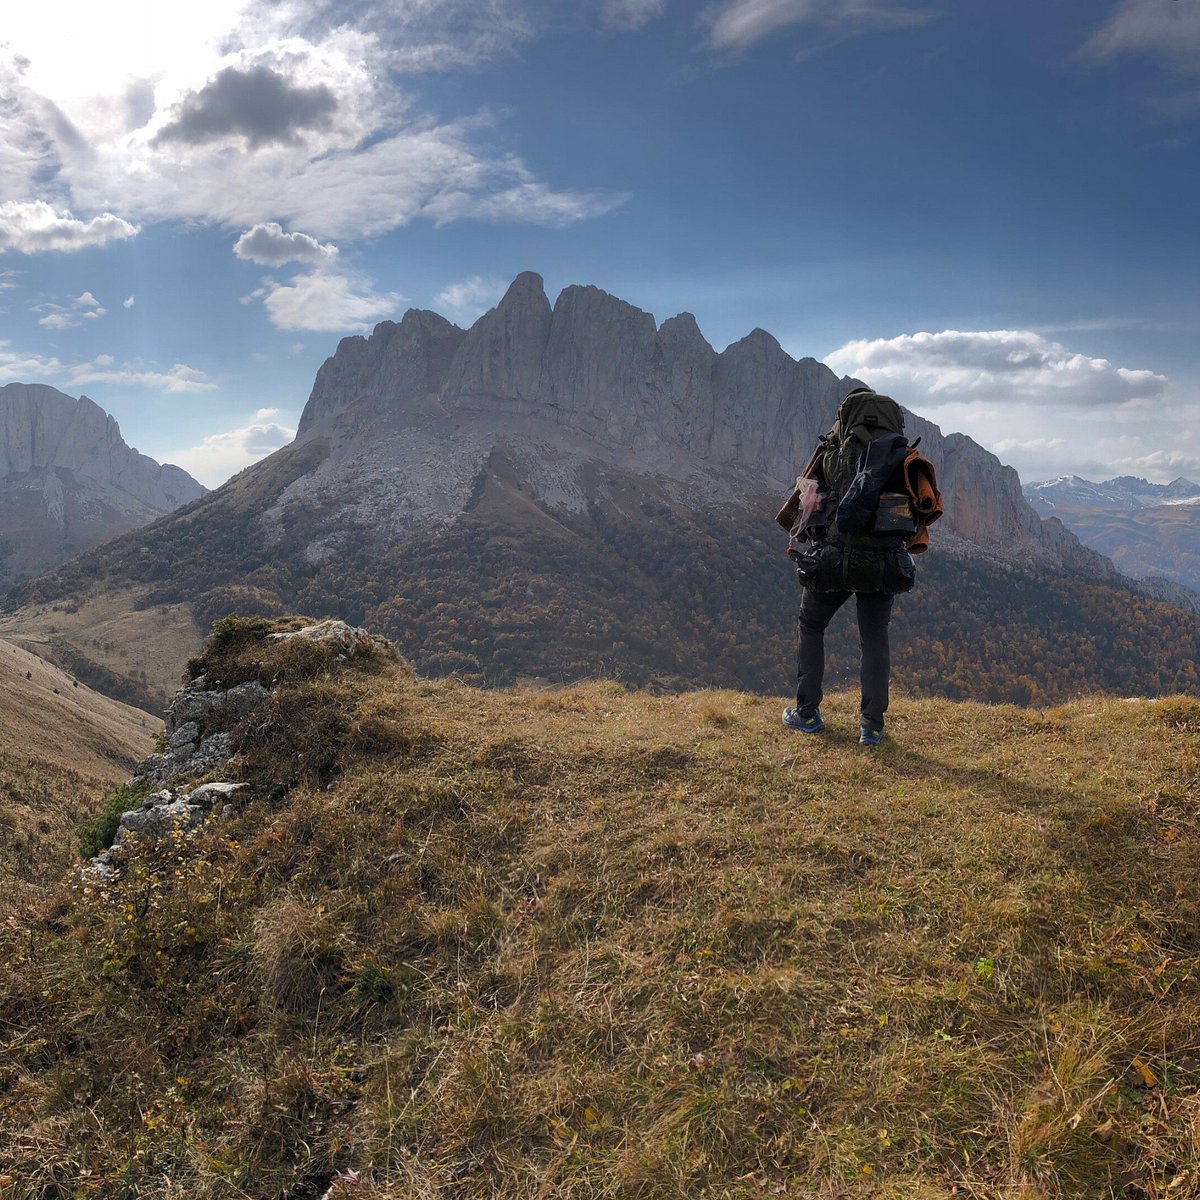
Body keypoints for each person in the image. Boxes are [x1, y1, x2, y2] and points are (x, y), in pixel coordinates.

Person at [776, 387, 935, 747]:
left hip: (833, 558)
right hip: (883, 563)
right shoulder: (903, 456)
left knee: (811, 625)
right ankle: (871, 726)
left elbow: (806, 502)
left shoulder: (832, 453)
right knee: (874, 637)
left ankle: (807, 712)